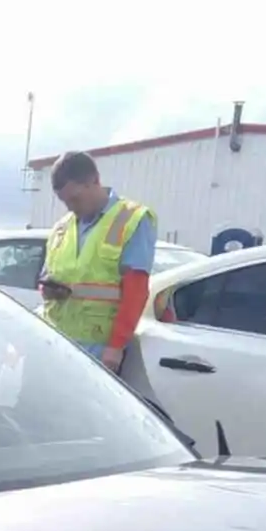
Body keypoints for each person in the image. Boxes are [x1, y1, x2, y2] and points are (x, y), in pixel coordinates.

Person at [37, 151, 158, 371]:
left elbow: (136, 290)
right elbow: (46, 280)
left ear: (94, 180)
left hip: (98, 351)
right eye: (64, 201)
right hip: (56, 343)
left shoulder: (131, 219)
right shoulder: (62, 228)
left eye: (74, 198)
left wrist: (116, 346)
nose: (70, 207)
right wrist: (48, 289)